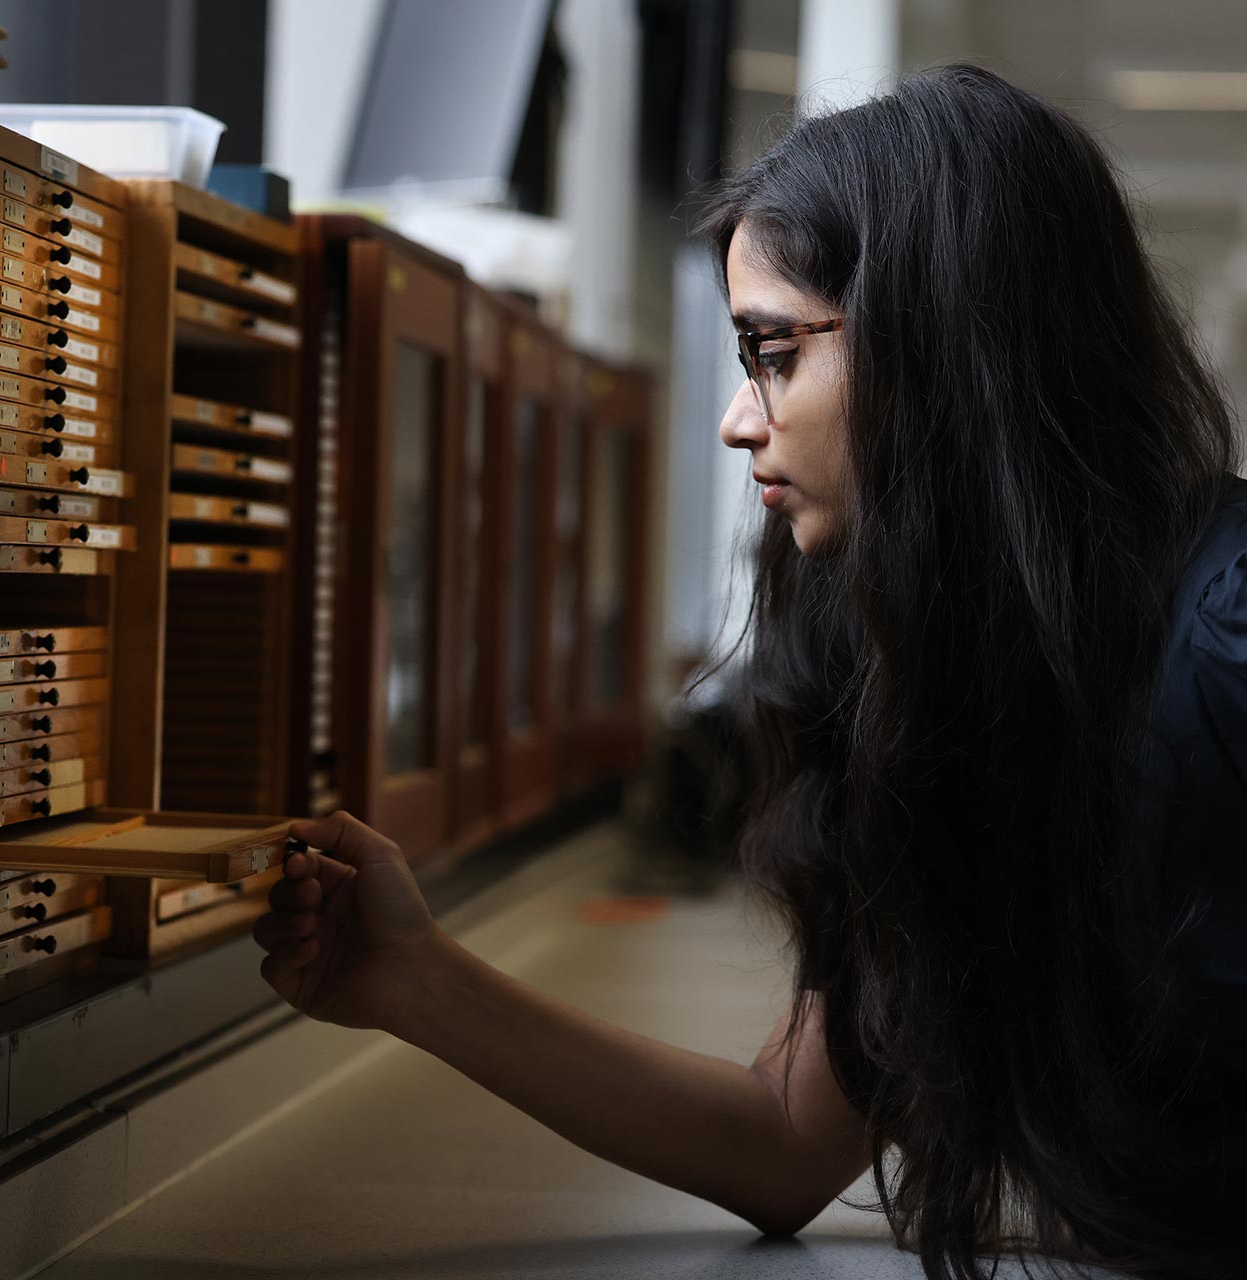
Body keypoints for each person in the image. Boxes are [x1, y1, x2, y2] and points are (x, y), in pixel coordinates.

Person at [253, 64, 1245, 1280]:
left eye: (772, 351)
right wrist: (417, 979)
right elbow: (784, 1136)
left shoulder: (1223, 650)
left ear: (936, 345)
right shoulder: (959, 671)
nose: (736, 417)